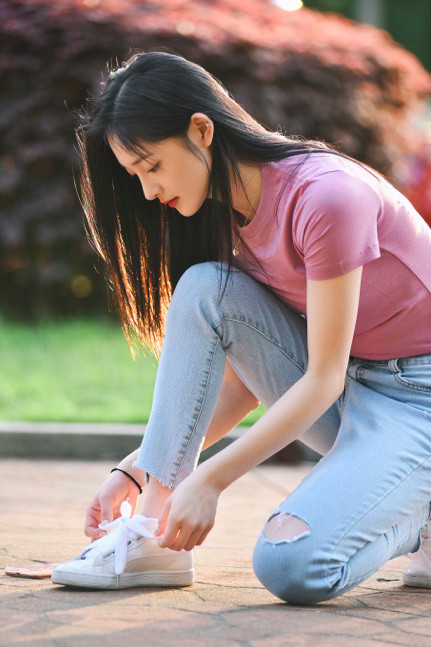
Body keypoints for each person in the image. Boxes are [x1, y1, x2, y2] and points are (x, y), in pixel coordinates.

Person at [51, 50, 431, 604]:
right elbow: (246, 383)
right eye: (136, 177)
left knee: (292, 564)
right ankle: (153, 539)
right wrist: (141, 470)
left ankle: (419, 518)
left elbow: (321, 379)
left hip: (418, 397)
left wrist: (211, 479)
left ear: (201, 130)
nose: (149, 193)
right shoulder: (229, 217)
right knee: (205, 286)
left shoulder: (324, 197)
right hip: (359, 389)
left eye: (152, 166)